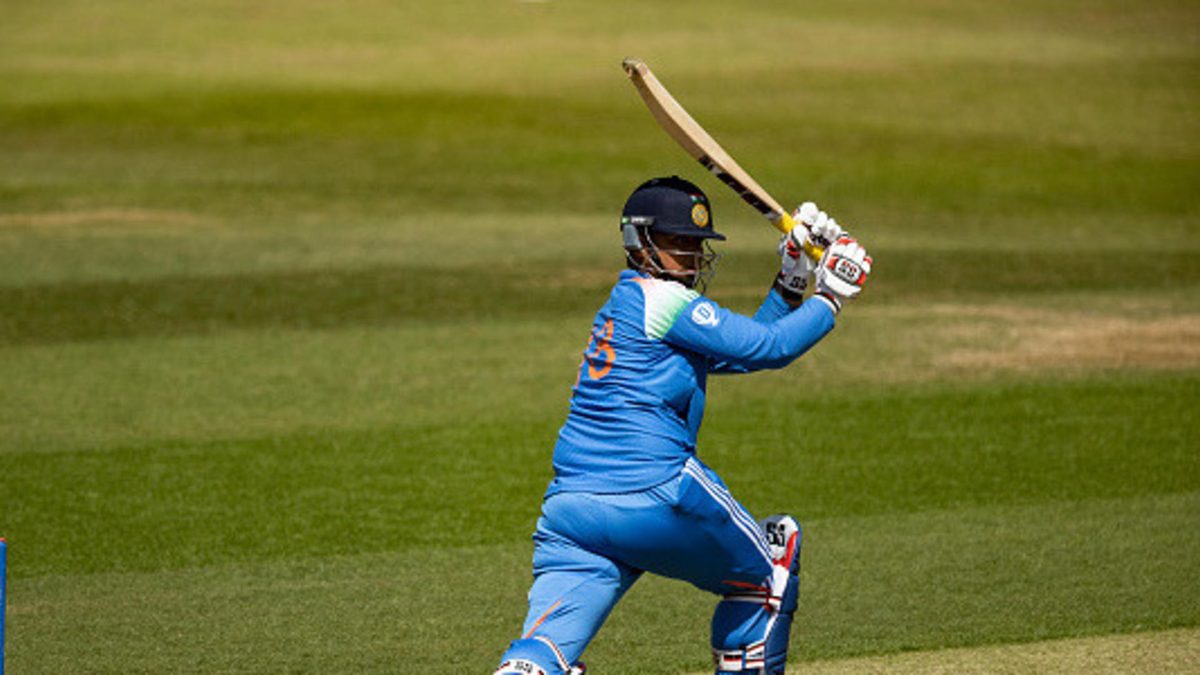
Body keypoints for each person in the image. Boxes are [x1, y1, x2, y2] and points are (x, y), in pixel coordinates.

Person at [494, 176, 871, 675]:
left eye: (695, 244)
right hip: (657, 491)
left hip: (572, 512)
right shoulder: (663, 300)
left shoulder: (627, 306)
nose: (690, 256)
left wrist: (793, 280)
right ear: (638, 241)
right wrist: (832, 295)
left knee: (545, 647)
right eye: (677, 242)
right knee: (769, 576)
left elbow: (738, 355)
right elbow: (769, 347)